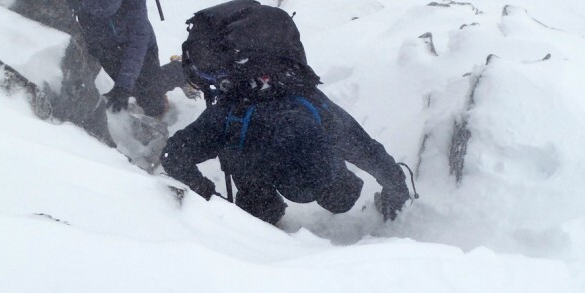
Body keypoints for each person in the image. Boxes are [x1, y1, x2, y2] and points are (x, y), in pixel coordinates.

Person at [160, 83, 411, 225]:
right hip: (302, 165)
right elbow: (364, 147)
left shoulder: (231, 115)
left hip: (258, 165)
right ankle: (265, 206)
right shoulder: (312, 105)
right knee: (340, 198)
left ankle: (262, 205)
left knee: (259, 214)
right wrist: (396, 187)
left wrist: (207, 195)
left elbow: (174, 155)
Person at [62, 0, 187, 117]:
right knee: (126, 90)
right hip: (103, 48)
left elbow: (137, 45)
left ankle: (181, 69)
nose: (100, 17)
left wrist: (123, 86)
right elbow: (56, 10)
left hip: (139, 46)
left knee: (151, 101)